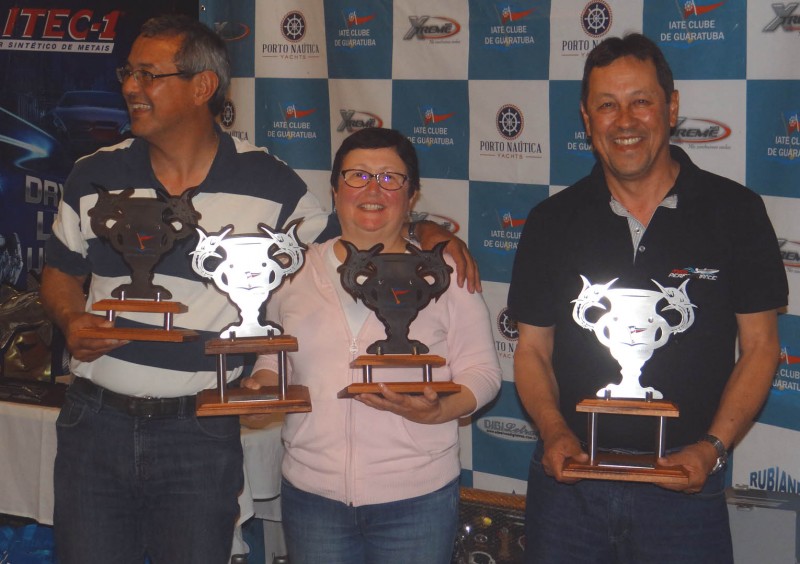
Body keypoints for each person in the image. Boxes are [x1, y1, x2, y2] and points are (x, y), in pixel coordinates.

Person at [40, 16, 477, 564]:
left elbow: (358, 232)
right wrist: (70, 318)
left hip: (198, 432)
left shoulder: (270, 183)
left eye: (148, 74)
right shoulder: (91, 174)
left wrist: (425, 231)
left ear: (202, 86)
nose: (130, 86)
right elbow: (59, 272)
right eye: (128, 72)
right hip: (94, 424)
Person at [508, 33, 788, 563]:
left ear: (671, 108)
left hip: (685, 490)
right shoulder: (551, 221)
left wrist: (712, 448)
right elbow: (532, 350)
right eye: (606, 105)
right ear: (587, 119)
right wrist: (554, 431)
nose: (625, 121)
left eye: (641, 101)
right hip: (570, 489)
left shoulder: (737, 212)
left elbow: (760, 347)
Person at [242, 127, 502, 564]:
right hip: (312, 496)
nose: (372, 189)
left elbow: (483, 372)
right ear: (335, 189)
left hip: (416, 498)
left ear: (412, 195)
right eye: (358, 175)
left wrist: (439, 410)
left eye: (390, 178)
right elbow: (276, 354)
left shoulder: (444, 272)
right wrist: (263, 387)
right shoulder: (293, 272)